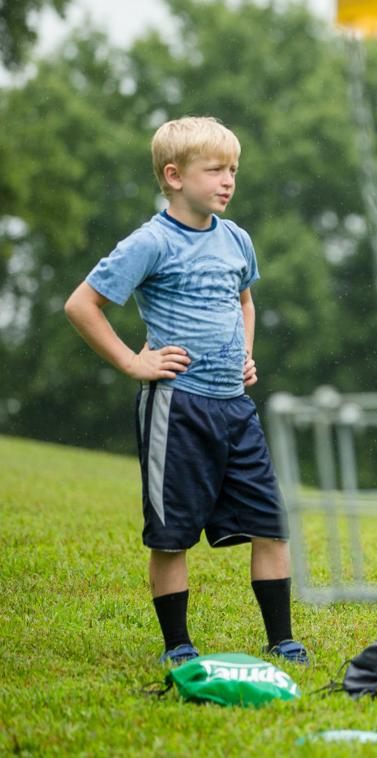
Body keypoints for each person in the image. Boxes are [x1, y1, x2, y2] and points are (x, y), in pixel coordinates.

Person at [64, 116, 309, 666]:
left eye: (234, 171)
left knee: (272, 525)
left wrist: (245, 354)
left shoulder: (237, 238)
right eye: (216, 170)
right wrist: (133, 360)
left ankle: (282, 639)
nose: (229, 181)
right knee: (171, 536)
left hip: (234, 407)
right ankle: (177, 645)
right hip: (177, 406)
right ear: (174, 176)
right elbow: (82, 305)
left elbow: (245, 300)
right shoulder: (150, 242)